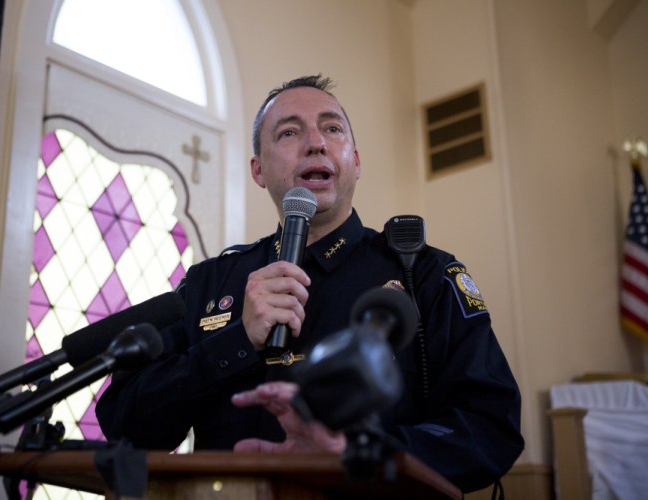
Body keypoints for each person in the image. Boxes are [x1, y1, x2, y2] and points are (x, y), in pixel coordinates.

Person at [96, 75, 524, 493]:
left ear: (355, 160)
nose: (316, 142)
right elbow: (126, 424)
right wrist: (236, 341)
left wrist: (360, 455)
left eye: (332, 128)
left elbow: (490, 426)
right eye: (288, 132)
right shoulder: (212, 283)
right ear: (258, 169)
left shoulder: (424, 274)